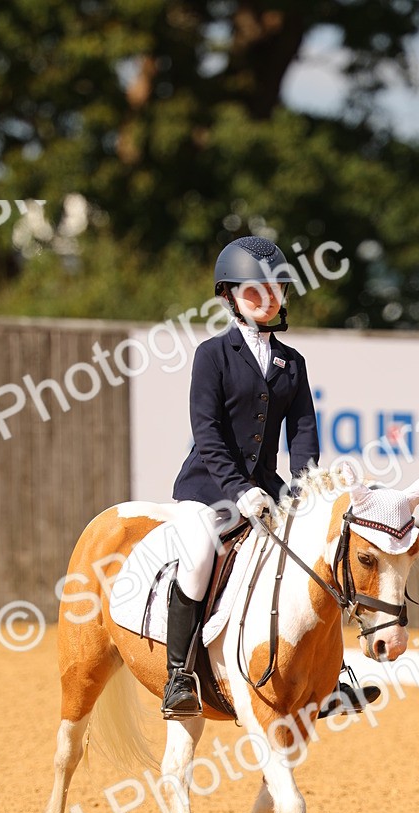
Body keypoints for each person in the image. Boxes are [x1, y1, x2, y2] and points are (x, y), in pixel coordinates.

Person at [162, 235, 378, 720]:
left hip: (269, 488)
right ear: (230, 298)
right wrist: (239, 490)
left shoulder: (292, 363)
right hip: (208, 487)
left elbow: (303, 434)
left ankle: (333, 676)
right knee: (198, 558)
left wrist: (305, 488)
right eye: (254, 291)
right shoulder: (212, 356)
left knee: (318, 560)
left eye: (275, 288)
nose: (267, 298)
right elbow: (208, 432)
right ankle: (179, 676)